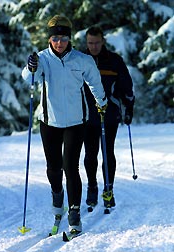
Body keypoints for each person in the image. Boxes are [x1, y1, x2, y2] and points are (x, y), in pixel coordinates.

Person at [22, 15, 107, 233]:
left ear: (69, 39)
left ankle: (75, 211)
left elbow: (95, 82)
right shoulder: (42, 58)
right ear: (49, 39)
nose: (59, 42)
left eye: (63, 38)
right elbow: (28, 76)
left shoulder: (81, 60)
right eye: (55, 38)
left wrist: (102, 102)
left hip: (76, 122)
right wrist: (30, 66)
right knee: (53, 169)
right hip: (49, 122)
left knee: (71, 167)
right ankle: (58, 196)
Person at [83, 25, 135, 208]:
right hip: (86, 115)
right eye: (90, 43)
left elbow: (126, 87)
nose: (94, 46)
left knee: (107, 152)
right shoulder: (80, 60)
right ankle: (92, 187)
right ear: (86, 42)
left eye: (97, 42)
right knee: (90, 154)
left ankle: (108, 189)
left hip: (109, 114)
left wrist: (129, 107)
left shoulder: (114, 61)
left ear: (103, 41)